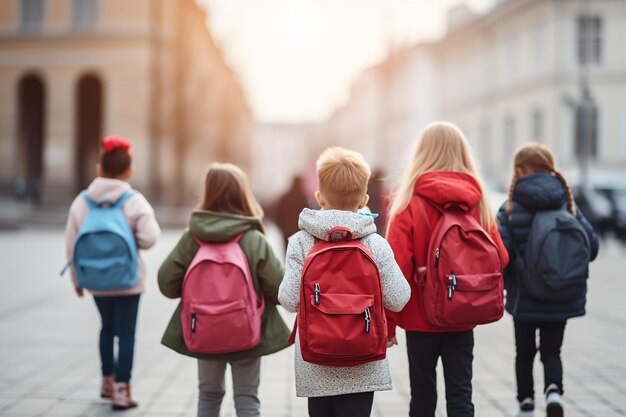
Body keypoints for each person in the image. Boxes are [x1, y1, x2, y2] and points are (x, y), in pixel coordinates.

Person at [385, 122, 509, 417]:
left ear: (421, 154)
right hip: (462, 313)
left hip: (419, 318)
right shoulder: (478, 201)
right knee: (460, 394)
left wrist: (388, 323)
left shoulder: (409, 200)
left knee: (423, 396)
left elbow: (395, 270)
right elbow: (500, 256)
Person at [278, 147, 411, 417]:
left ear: (319, 197)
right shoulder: (375, 244)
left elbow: (289, 300)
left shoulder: (301, 242)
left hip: (316, 362)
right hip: (363, 360)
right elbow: (399, 297)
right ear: (364, 200)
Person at [158, 162, 290, 417]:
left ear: (208, 193)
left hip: (205, 329)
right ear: (242, 195)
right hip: (247, 331)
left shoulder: (192, 238)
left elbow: (166, 284)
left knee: (208, 395)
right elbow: (279, 288)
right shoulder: (253, 239)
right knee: (247, 397)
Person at [496, 143, 599, 417]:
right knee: (552, 352)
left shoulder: (509, 208)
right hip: (561, 295)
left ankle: (526, 404)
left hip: (525, 299)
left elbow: (501, 256)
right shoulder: (567, 203)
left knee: (525, 353)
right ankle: (554, 391)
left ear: (519, 170)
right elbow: (593, 246)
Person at [64, 135, 161, 410]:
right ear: (128, 171)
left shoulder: (82, 202)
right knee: (126, 332)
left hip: (96, 280)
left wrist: (77, 279)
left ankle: (106, 381)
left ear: (99, 168)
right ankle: (122, 389)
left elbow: (71, 244)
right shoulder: (134, 201)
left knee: (106, 327)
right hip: (129, 279)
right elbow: (150, 238)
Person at [274, 175, 310, 247]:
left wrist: (281, 226)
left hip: (286, 230)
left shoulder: (285, 197)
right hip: (298, 230)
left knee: (287, 249)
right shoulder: (303, 198)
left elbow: (278, 213)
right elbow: (307, 214)